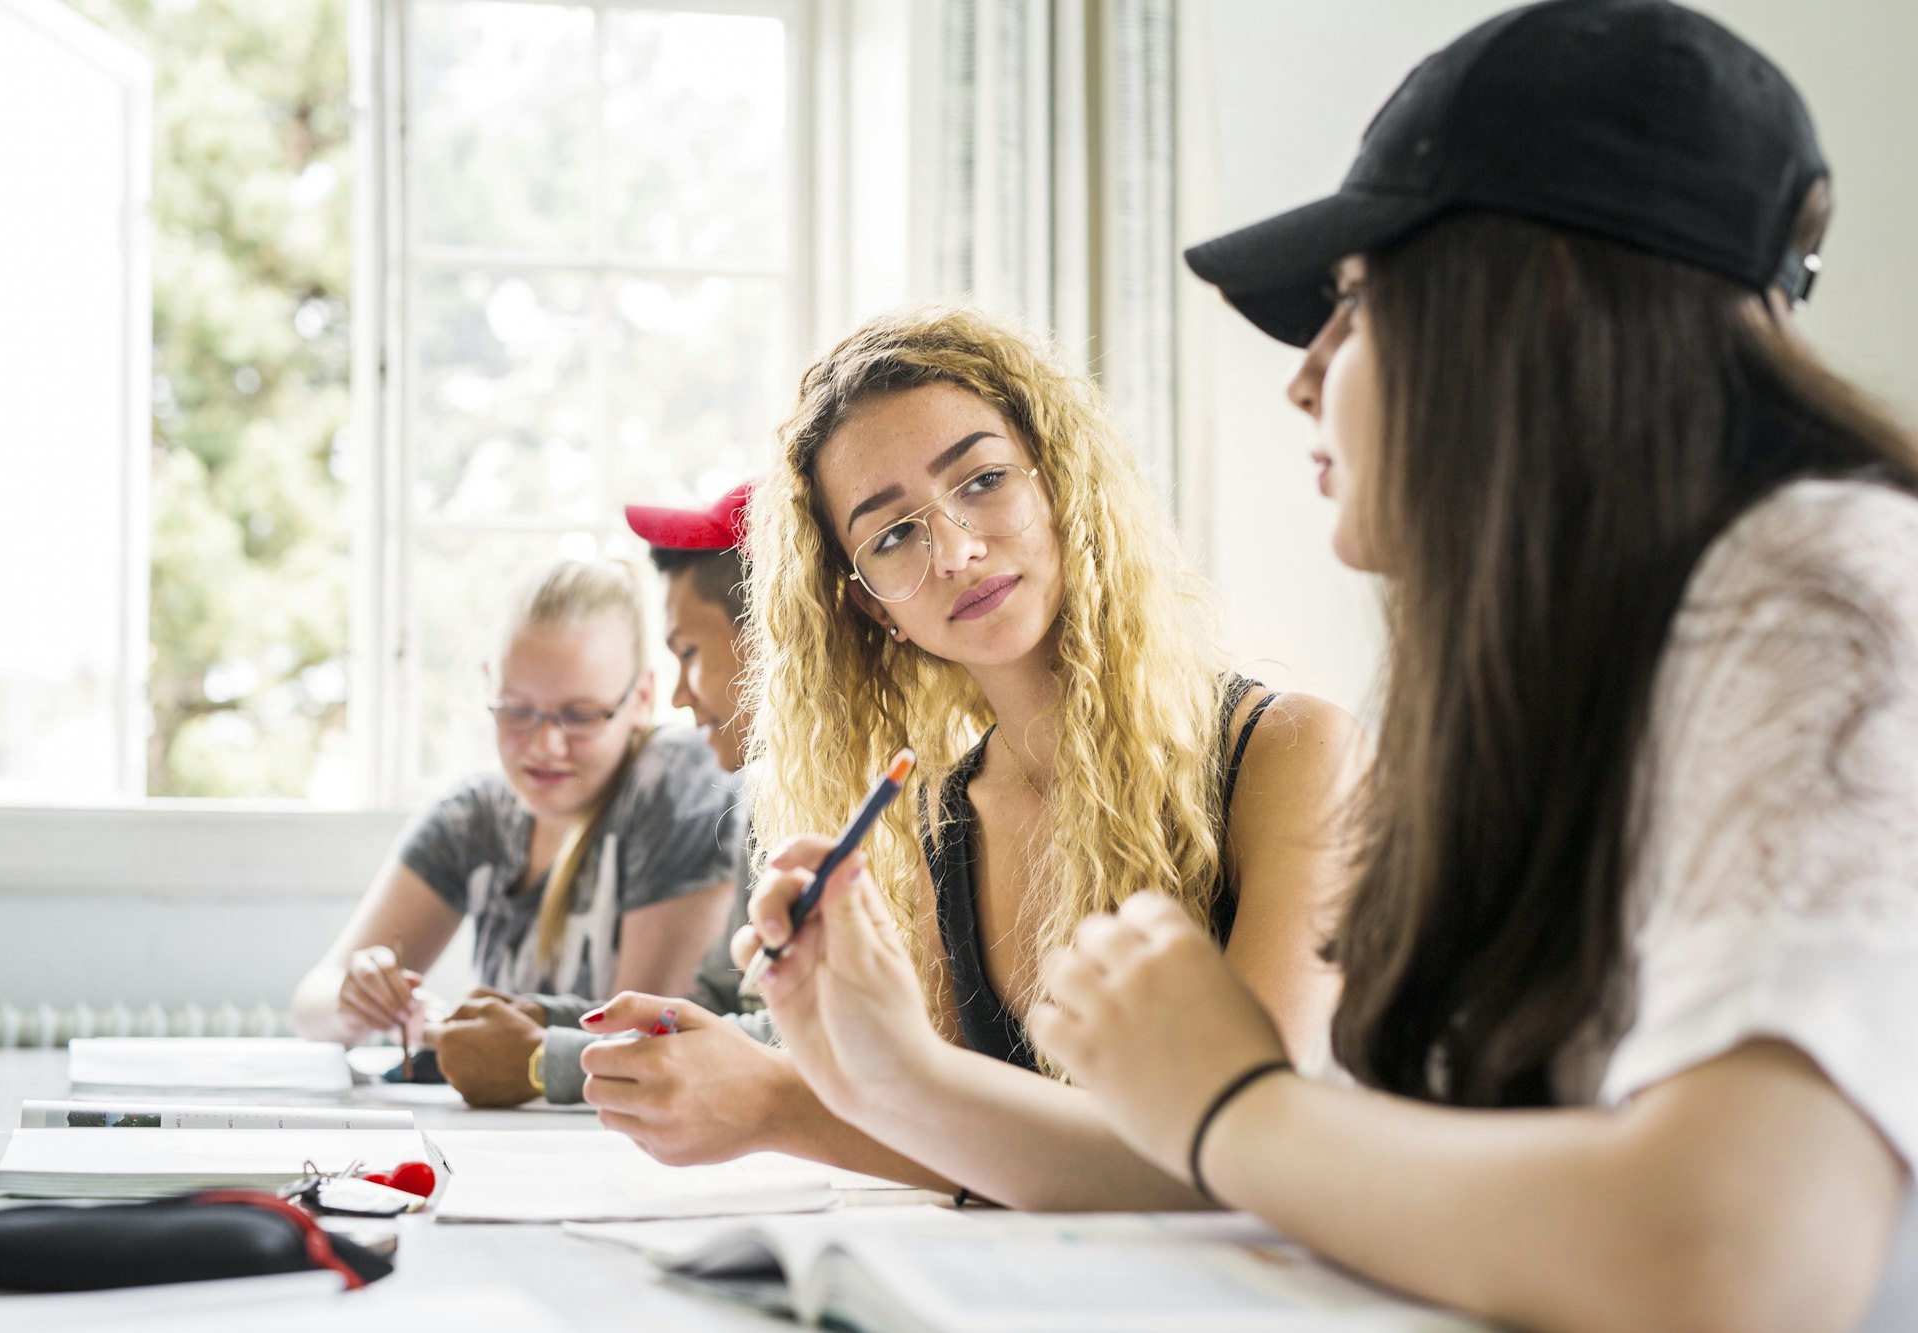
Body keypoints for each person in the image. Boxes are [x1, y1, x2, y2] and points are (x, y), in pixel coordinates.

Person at [1016, 3, 1916, 1329]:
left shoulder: (1829, 583)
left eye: (1357, 306)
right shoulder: (1569, 667)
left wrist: (1229, 1103)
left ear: (1541, 298)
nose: (1304, 379)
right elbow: (1400, 1180)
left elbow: (1735, 1258)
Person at [622, 304, 1362, 1204]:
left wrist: (787, 1101)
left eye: (981, 481)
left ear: (1057, 477)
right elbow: (969, 1143)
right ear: (868, 607)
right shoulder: (936, 823)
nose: (960, 550)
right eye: (893, 535)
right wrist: (827, 1054)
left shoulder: (1292, 755)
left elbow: (1241, 1156)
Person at [291, 559, 738, 1105]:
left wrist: (515, 1055)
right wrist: (355, 995)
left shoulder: (675, 783)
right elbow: (310, 1006)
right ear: (489, 687)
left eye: (579, 715)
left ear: (641, 699)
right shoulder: (472, 816)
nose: (545, 745)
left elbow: (641, 1036)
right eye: (516, 710)